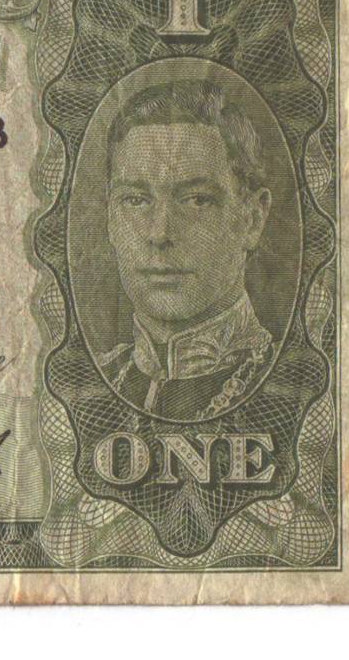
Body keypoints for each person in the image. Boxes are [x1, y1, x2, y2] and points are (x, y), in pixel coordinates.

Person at [99, 79, 277, 420]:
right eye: (135, 200)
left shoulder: (293, 384)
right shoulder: (89, 384)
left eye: (196, 200)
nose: (159, 233)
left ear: (252, 219)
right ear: (109, 217)